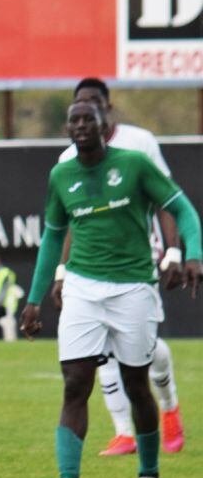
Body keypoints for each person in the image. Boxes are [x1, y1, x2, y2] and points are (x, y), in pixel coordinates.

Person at [21, 101, 201, 478]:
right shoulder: (61, 174)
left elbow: (182, 209)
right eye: (74, 120)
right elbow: (53, 237)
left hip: (133, 287)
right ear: (67, 129)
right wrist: (35, 298)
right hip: (82, 288)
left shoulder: (135, 165)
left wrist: (192, 255)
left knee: (137, 383)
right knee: (74, 383)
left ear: (106, 127)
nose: (81, 125)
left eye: (89, 119)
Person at [55, 78, 186, 456]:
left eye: (93, 105)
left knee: (144, 352)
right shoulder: (67, 160)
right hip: (89, 270)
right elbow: (64, 223)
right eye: (77, 108)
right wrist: (62, 272)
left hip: (137, 262)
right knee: (98, 354)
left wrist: (172, 251)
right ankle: (123, 430)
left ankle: (169, 405)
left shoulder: (139, 144)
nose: (83, 118)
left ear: (106, 109)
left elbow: (167, 198)